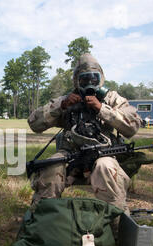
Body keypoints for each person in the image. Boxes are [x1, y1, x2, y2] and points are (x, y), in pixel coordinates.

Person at [27, 53, 142, 229]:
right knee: (51, 165)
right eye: (84, 79)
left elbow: (132, 127)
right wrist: (61, 106)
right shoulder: (67, 101)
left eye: (94, 79)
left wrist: (102, 109)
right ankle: (42, 225)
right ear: (76, 81)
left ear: (101, 79)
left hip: (102, 154)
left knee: (106, 168)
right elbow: (34, 123)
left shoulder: (112, 99)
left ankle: (117, 228)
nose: (89, 83)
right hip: (70, 155)